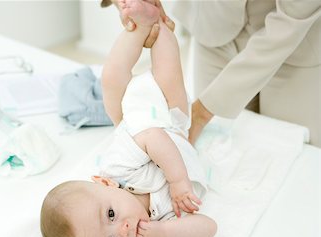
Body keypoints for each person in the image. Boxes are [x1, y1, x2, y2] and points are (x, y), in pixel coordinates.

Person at [41, 0, 217, 237]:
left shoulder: (117, 171)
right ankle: (159, 26)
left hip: (146, 122)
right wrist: (164, 232)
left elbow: (152, 136)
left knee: (112, 76)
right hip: (176, 126)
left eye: (110, 214)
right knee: (168, 72)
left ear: (104, 183)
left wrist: (178, 181)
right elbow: (208, 229)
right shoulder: (163, 219)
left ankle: (140, 27)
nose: (122, 231)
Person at [102, 0, 321, 146]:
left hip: (297, 43)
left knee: (290, 150)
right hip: (214, 24)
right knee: (207, 137)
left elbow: (293, 19)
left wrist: (203, 111)